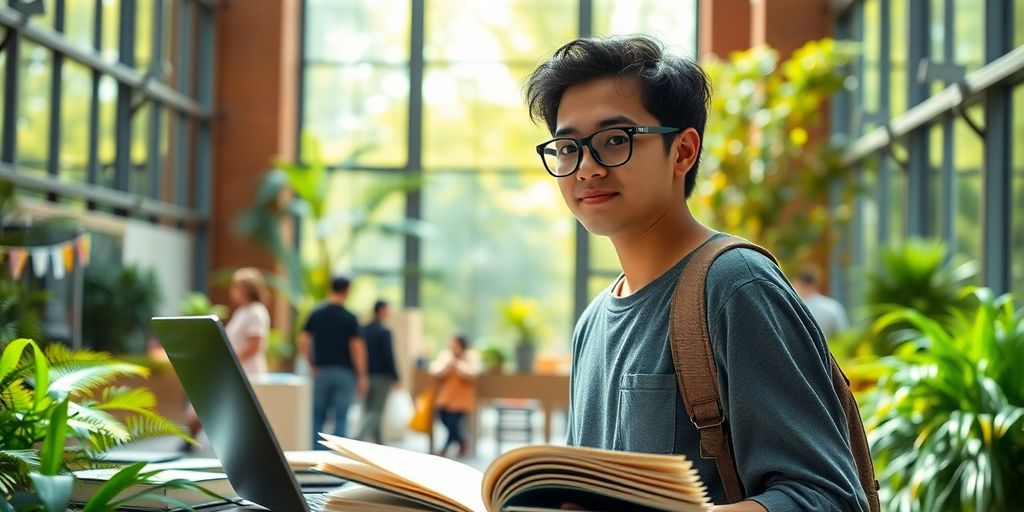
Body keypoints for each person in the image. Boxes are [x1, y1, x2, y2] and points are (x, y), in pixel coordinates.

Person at [523, 36, 868, 510]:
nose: (585, 167)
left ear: (683, 152)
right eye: (567, 147)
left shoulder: (735, 286)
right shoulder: (593, 322)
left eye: (614, 141)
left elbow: (827, 498)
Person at [183, 267, 271, 450]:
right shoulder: (242, 311)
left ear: (247, 288)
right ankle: (190, 438)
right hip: (233, 369)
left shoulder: (256, 311)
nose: (233, 290)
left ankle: (192, 439)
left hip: (247, 372)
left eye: (237, 286)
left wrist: (233, 361)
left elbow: (255, 344)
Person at [298, 276, 367, 447]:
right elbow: (357, 349)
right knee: (341, 416)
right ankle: (336, 456)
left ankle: (315, 455)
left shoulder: (316, 313)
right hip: (345, 373)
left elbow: (302, 340)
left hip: (321, 370)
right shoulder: (350, 318)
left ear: (330, 288)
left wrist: (311, 363)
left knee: (317, 416)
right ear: (347, 291)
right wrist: (362, 375)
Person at [355, 299, 400, 444]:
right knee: (376, 411)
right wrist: (395, 375)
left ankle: (379, 443)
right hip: (382, 376)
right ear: (381, 310)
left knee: (370, 410)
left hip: (366, 375)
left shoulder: (363, 329)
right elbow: (389, 355)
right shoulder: (384, 331)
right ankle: (358, 437)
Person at [428, 333, 480, 458]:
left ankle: (445, 449)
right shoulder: (446, 355)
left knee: (453, 422)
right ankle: (463, 442)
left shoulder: (470, 355)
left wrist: (457, 365)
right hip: (446, 397)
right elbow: (435, 370)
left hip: (462, 398)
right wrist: (447, 366)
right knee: (443, 418)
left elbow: (473, 374)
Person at [793, 266, 849, 338]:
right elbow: (842, 336)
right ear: (816, 283)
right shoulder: (833, 307)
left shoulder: (791, 306)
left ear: (797, 282)